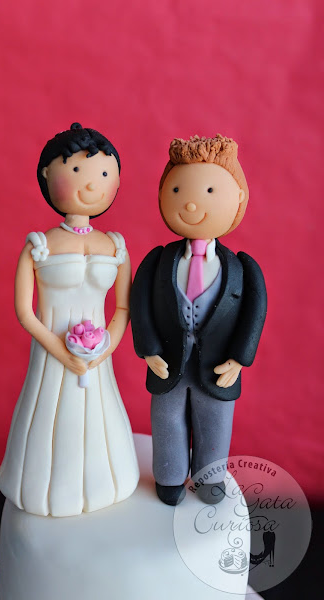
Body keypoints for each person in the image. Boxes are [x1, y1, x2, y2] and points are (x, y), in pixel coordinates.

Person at [0, 123, 139, 518]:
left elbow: (122, 309)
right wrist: (61, 351)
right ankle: (44, 490)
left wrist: (103, 350)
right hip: (51, 356)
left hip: (98, 359)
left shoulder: (116, 246)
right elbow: (25, 312)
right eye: (76, 170)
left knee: (98, 420)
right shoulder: (38, 246)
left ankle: (104, 483)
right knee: (50, 416)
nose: (92, 183)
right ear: (47, 174)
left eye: (105, 173)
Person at [131, 134, 267, 506]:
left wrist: (239, 359)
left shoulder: (242, 269)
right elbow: (140, 306)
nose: (191, 202)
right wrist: (149, 350)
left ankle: (210, 479)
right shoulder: (157, 262)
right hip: (168, 363)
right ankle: (170, 478)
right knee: (167, 421)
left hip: (218, 367)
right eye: (177, 190)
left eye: (210, 190)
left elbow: (253, 316)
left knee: (215, 424)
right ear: (162, 195)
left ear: (239, 196)